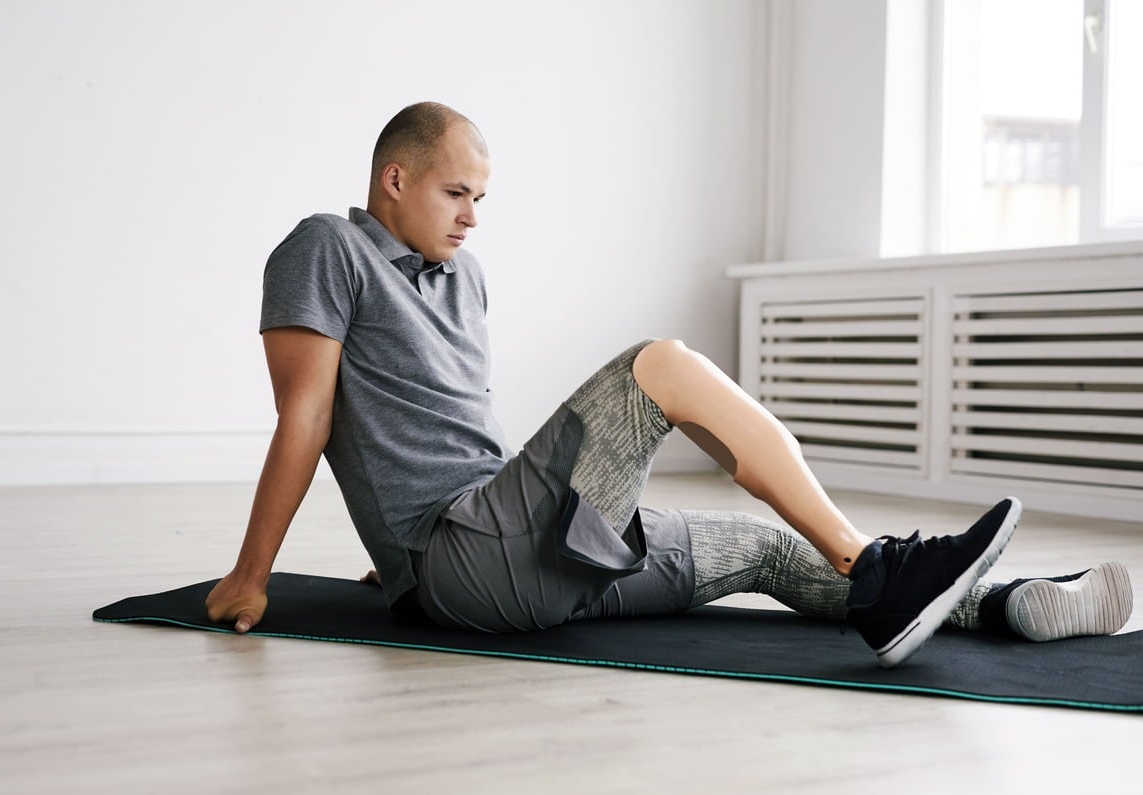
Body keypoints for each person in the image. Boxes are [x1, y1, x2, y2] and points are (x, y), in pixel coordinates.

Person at [206, 102, 1133, 668]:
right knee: (662, 365)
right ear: (394, 179)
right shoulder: (325, 248)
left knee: (766, 554)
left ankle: (1005, 603)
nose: (474, 217)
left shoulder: (463, 278)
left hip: (507, 549)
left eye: (483, 198)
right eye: (457, 194)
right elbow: (309, 417)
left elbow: (444, 429)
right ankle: (872, 561)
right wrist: (255, 577)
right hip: (469, 563)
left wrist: (395, 538)